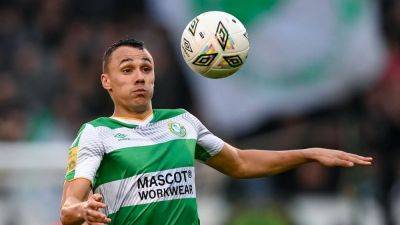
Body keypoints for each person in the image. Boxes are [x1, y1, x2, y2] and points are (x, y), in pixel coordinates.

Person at [60, 38, 373, 225]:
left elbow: (239, 163)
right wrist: (82, 210)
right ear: (107, 82)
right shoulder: (97, 133)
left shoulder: (182, 122)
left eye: (146, 68)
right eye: (127, 70)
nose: (139, 77)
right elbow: (68, 208)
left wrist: (308, 154)